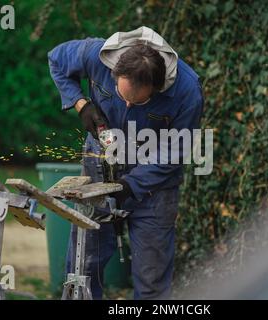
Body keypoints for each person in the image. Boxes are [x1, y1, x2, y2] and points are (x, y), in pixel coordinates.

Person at [48, 26, 203, 299]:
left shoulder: (186, 90)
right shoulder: (96, 54)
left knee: (152, 279)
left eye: (137, 102)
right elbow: (56, 60)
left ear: (156, 88)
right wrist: (82, 104)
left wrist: (131, 184)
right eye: (122, 97)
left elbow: (174, 152)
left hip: (155, 186)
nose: (128, 106)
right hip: (98, 170)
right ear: (115, 72)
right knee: (82, 267)